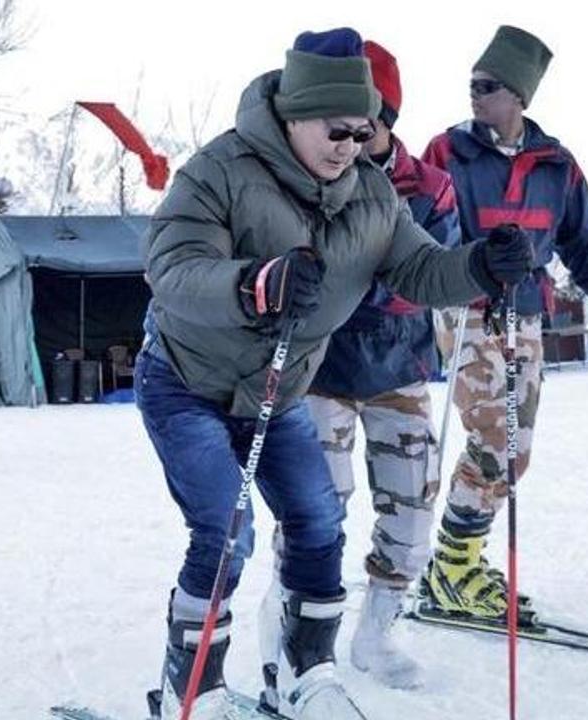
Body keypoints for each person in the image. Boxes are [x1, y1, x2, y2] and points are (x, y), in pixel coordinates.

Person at [136, 28, 531, 720]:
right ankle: (189, 689)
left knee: (318, 523)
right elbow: (173, 270)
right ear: (294, 113)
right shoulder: (219, 171)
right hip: (187, 382)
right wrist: (257, 285)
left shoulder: (372, 196)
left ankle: (304, 671)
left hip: (277, 393)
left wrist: (479, 266)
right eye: (336, 129)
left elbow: (419, 267)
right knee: (227, 530)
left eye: (363, 131)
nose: (351, 144)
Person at [420, 25, 588, 620]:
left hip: (527, 315)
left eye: (488, 85)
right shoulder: (447, 154)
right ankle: (451, 571)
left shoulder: (556, 165)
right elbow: (421, 228)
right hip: (469, 309)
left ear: (520, 96)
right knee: (494, 439)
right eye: (471, 84)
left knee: (515, 451)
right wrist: (468, 264)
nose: (474, 95)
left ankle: (458, 561)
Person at [256, 38, 457, 691]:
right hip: (320, 369)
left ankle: (377, 631)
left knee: (411, 503)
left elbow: (433, 270)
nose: (347, 137)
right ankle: (290, 620)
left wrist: (362, 286)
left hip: (398, 368)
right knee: (320, 504)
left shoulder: (430, 189)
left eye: (363, 124)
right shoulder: (303, 176)